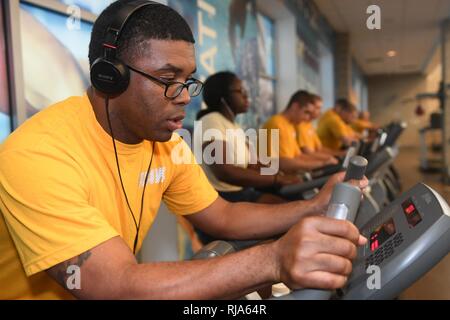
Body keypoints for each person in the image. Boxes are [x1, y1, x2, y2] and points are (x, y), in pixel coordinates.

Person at [0, 1, 367, 300]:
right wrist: (273, 260)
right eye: (167, 80)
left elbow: (223, 216)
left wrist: (315, 204)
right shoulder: (37, 155)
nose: (186, 98)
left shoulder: (166, 145)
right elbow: (112, 284)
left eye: (188, 80)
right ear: (110, 76)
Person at [195, 71, 298, 204]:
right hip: (222, 198)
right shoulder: (211, 121)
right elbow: (225, 172)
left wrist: (283, 174)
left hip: (240, 191)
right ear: (223, 97)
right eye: (240, 90)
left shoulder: (234, 126)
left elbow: (252, 164)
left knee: (292, 203)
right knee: (287, 208)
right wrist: (276, 179)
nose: (246, 95)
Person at [262, 91, 338, 174]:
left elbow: (298, 156)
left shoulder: (289, 125)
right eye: (306, 112)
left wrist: (326, 161)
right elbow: (282, 163)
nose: (307, 117)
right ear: (295, 106)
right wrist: (321, 163)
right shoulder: (276, 124)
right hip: (273, 179)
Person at [296, 93, 344, 158]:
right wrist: (331, 158)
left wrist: (339, 154)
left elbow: (319, 148)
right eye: (317, 108)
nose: (320, 111)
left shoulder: (309, 125)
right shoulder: (300, 125)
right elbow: (308, 153)